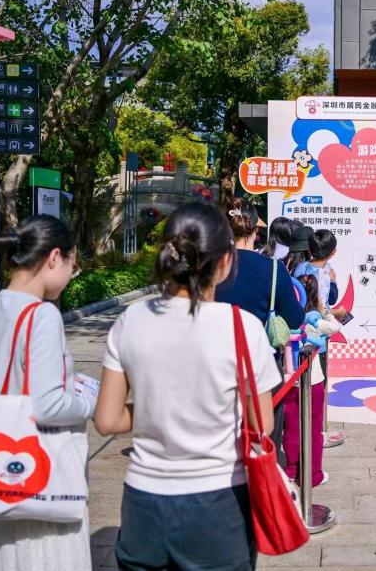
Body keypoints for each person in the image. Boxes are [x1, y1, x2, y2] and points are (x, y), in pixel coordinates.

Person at [95, 203, 281, 570]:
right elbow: (262, 424)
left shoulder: (131, 319)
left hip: (143, 505)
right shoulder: (242, 327)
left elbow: (107, 420)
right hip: (219, 503)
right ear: (225, 261)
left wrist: (158, 406)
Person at [0, 215, 93, 570]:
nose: (71, 274)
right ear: (54, 257)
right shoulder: (42, 315)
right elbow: (47, 405)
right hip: (40, 490)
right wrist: (91, 402)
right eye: (72, 264)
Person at [215, 198, 305, 459]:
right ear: (255, 231)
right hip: (260, 369)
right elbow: (295, 319)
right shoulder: (273, 269)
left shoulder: (208, 267)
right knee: (263, 446)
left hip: (213, 366)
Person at [292, 229, 348, 447]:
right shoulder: (325, 275)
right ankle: (316, 433)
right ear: (333, 252)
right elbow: (326, 304)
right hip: (318, 338)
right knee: (318, 384)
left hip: (300, 333)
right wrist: (333, 283)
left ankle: (306, 429)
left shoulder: (300, 269)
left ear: (309, 248)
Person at [283, 275, 340, 487]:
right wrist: (325, 310)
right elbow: (335, 327)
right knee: (314, 429)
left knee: (291, 427)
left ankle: (291, 469)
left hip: (289, 381)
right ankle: (313, 473)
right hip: (312, 381)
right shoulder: (314, 320)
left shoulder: (284, 319)